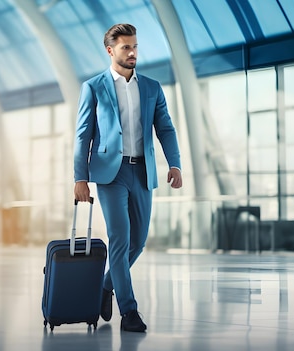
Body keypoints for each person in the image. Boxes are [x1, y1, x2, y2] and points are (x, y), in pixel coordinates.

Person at [73, 23, 183, 332]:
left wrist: (174, 164)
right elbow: (83, 135)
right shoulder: (93, 87)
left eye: (134, 46)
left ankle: (106, 286)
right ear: (110, 50)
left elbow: (165, 129)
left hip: (143, 171)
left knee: (139, 242)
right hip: (111, 173)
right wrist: (79, 177)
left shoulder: (151, 87)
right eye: (125, 47)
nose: (133, 52)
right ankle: (129, 312)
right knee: (120, 240)